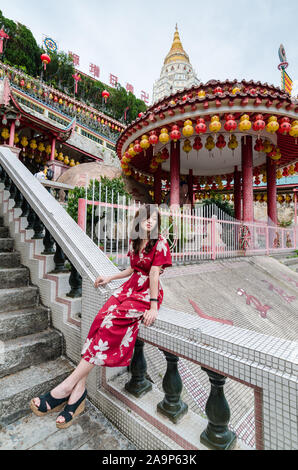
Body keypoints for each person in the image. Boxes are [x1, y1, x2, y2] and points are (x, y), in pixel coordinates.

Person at [30, 204, 172, 429]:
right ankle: (78, 392)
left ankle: (67, 387)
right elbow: (132, 270)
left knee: (109, 325)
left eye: (153, 219)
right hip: (129, 287)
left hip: (146, 294)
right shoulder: (136, 241)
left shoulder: (161, 244)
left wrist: (153, 306)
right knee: (99, 322)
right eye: (145, 218)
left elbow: (153, 274)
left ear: (157, 223)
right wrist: (110, 277)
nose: (149, 222)